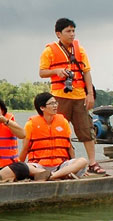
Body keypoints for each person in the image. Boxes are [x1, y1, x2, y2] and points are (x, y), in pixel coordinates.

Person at [39, 17, 105, 175]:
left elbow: (87, 72)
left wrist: (90, 94)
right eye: (68, 31)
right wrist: (56, 71)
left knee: (86, 129)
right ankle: (67, 162)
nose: (72, 34)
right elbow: (42, 72)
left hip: (79, 96)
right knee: (61, 130)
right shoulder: (49, 51)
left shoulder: (80, 50)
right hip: (60, 96)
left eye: (73, 31)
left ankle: (92, 162)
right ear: (58, 34)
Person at [0, 96, 51, 182]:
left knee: (21, 166)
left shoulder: (9, 121)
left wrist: (5, 121)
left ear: (2, 111)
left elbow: (22, 135)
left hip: (9, 166)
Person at [19, 92, 89, 180]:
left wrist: (75, 165)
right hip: (39, 166)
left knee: (83, 161)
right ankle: (57, 175)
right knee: (25, 167)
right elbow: (25, 149)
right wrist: (18, 167)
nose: (55, 106)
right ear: (42, 107)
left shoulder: (63, 122)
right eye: (52, 103)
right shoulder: (30, 124)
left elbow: (69, 147)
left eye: (56, 103)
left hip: (61, 165)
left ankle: (52, 176)